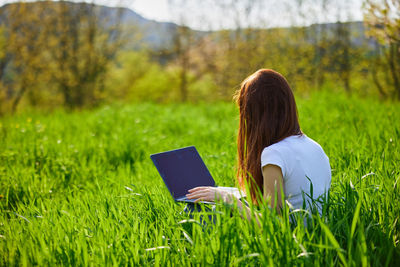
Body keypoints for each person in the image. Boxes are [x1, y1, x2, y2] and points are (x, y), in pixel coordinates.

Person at [186, 69, 331, 224]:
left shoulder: (274, 153)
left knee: (197, 207)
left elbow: (272, 225)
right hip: (317, 232)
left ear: (254, 115)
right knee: (223, 195)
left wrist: (227, 199)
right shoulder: (314, 146)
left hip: (293, 239)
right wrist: (226, 193)